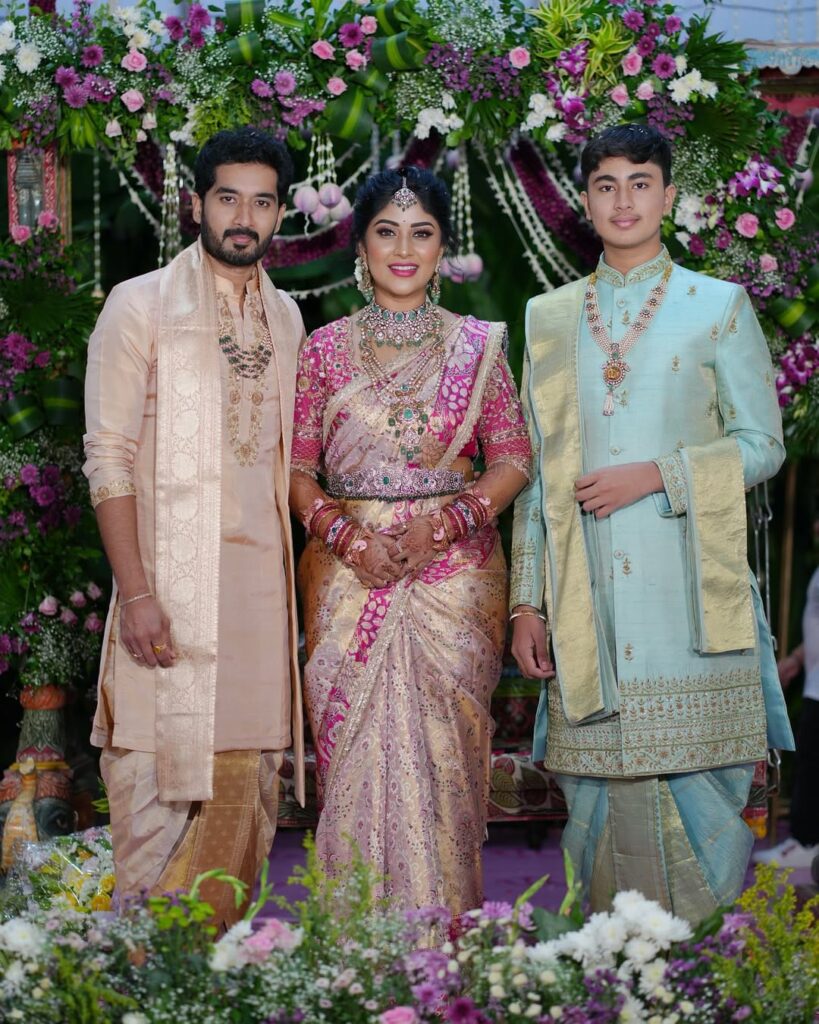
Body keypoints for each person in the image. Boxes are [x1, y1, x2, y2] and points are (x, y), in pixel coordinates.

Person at [510, 123, 794, 925]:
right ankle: (603, 978)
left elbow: (760, 445)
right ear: (584, 200)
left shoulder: (717, 306)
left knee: (700, 794)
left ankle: (692, 977)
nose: (622, 199)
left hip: (688, 606)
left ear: (668, 197)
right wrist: (525, 602)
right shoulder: (548, 317)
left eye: (640, 182)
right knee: (594, 800)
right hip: (583, 603)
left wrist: (658, 475)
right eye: (605, 184)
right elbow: (535, 476)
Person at [290, 166, 532, 914]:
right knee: (354, 761)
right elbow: (296, 472)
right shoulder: (322, 349)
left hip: (453, 580)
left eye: (420, 233)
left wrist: (447, 522)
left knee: (445, 764)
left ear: (440, 247)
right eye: (386, 232)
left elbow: (513, 457)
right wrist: (347, 537)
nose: (403, 249)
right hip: (344, 572)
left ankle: (441, 947)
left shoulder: (477, 348)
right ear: (358, 247)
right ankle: (353, 951)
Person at [83, 127, 306, 929]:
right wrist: (136, 592)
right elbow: (106, 457)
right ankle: (146, 980)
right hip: (166, 607)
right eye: (227, 197)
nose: (243, 216)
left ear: (281, 212)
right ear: (195, 201)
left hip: (257, 613)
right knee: (152, 793)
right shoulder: (137, 304)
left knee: (247, 790)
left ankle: (215, 979)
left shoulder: (287, 321)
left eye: (261, 200)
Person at [753, 539, 819, 869]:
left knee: (811, 762)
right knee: (810, 761)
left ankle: (806, 843)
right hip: (813, 681)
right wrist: (796, 657)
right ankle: (805, 841)